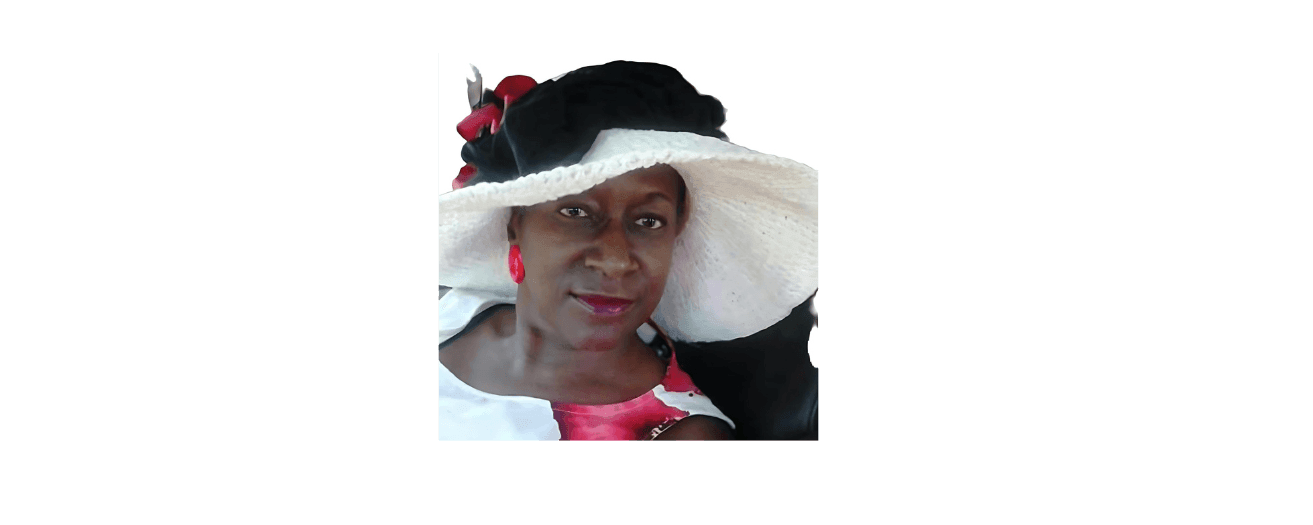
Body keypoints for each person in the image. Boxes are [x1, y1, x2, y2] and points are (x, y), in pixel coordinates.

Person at [438, 61, 819, 440]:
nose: (616, 260)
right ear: (515, 224)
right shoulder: (452, 312)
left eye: (648, 221)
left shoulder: (681, 439)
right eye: (575, 211)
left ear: (678, 228)